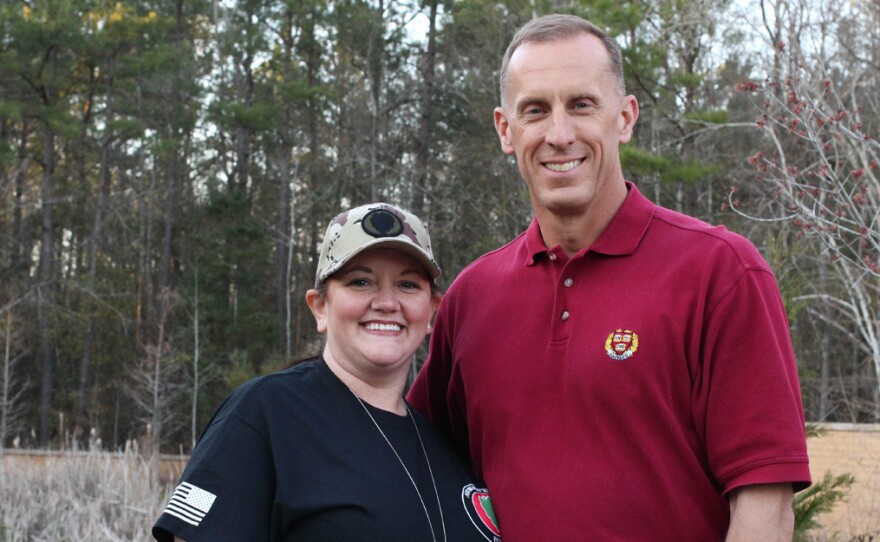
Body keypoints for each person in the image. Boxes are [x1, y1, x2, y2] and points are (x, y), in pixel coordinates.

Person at [407, 14, 811, 541]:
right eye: (535, 110)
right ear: (506, 130)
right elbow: (408, 464)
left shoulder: (721, 273)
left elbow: (765, 505)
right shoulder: (471, 299)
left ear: (624, 118)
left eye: (581, 105)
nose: (559, 135)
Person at [152, 203, 502, 542]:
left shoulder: (447, 444)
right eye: (360, 282)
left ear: (431, 311)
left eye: (407, 284)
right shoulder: (265, 414)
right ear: (319, 307)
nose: (386, 302)